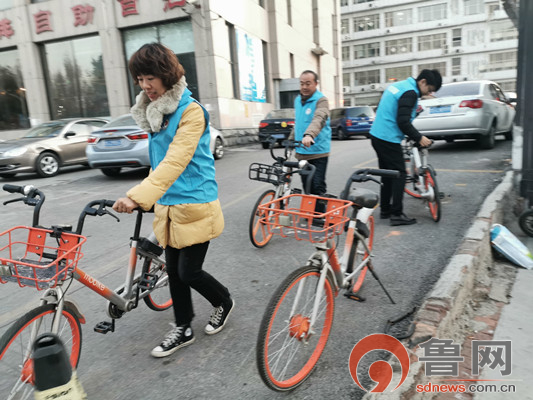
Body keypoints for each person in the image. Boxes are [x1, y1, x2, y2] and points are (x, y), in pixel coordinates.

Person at [112, 43, 233, 358]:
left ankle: (223, 301)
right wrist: (147, 197)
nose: (145, 86)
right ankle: (183, 327)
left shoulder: (191, 112)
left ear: (166, 75)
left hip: (196, 203)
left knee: (188, 272)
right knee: (174, 270)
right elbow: (158, 164)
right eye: (140, 79)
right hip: (168, 206)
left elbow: (175, 161)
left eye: (150, 78)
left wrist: (137, 197)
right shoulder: (157, 112)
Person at [369, 69, 442, 226]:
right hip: (388, 138)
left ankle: (385, 210)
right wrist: (419, 137)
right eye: (429, 89)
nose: (428, 94)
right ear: (423, 82)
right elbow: (403, 122)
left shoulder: (399, 85)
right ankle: (396, 214)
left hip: (377, 135)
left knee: (387, 175)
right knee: (399, 174)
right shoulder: (410, 93)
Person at [291, 70, 331, 210]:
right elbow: (299, 122)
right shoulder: (297, 100)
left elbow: (319, 118)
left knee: (317, 185)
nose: (304, 87)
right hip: (302, 151)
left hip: (318, 151)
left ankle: (319, 216)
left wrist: (309, 135)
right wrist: (290, 139)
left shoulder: (321, 100)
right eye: (302, 83)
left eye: (308, 83)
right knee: (306, 185)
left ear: (316, 84)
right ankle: (311, 213)